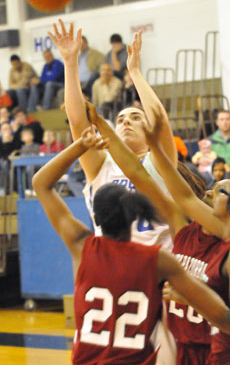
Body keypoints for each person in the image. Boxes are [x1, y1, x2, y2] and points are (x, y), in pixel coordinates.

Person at [32, 126, 230, 365]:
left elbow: (40, 183)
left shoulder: (82, 246)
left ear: (96, 219)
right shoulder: (158, 259)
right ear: (134, 217)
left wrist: (81, 145)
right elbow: (219, 311)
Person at [87, 105, 230, 365]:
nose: (206, 193)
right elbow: (139, 175)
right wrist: (102, 125)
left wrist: (189, 296)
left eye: (218, 191)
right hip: (186, 344)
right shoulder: (185, 229)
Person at [48, 20, 177, 250]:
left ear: (149, 133)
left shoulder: (158, 162)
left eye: (136, 117)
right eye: (120, 119)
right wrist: (70, 62)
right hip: (111, 270)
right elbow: (77, 122)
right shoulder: (101, 164)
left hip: (158, 272)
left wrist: (135, 73)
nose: (126, 120)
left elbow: (160, 120)